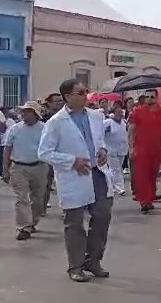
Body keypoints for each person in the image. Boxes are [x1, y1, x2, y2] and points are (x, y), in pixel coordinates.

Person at [38, 79, 114, 283]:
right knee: (74, 223)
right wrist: (72, 161)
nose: (85, 95)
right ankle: (76, 266)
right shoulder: (56, 122)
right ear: (67, 97)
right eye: (80, 92)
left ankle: (93, 260)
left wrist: (103, 151)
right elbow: (44, 153)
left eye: (86, 91)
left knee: (102, 217)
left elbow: (99, 140)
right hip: (74, 176)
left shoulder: (96, 116)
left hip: (97, 172)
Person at [2, 101, 48, 240]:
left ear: (35, 114)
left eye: (27, 111)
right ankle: (23, 227)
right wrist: (5, 168)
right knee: (21, 198)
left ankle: (33, 222)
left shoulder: (45, 128)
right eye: (23, 111)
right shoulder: (15, 129)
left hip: (39, 166)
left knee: (38, 198)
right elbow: (7, 148)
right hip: (19, 167)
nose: (23, 114)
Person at [128, 89, 161, 214]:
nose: (149, 99)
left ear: (156, 98)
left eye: (152, 97)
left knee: (153, 175)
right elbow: (131, 129)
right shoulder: (138, 111)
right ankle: (144, 202)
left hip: (156, 149)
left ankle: (149, 199)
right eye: (147, 97)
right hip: (141, 149)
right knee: (142, 175)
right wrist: (131, 147)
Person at [103, 106, 129, 196]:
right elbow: (100, 134)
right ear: (113, 113)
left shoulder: (124, 122)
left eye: (121, 112)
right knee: (115, 169)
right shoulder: (107, 123)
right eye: (118, 112)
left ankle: (112, 186)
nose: (120, 114)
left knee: (118, 169)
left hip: (122, 149)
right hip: (110, 150)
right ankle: (120, 188)